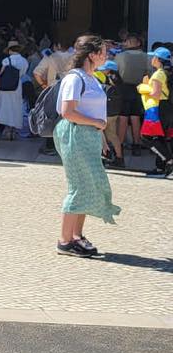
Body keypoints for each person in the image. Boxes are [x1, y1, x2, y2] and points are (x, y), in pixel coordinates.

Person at [54, 35, 120, 256]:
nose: (106, 56)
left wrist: (100, 136)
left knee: (88, 186)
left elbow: (93, 111)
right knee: (79, 186)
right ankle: (65, 241)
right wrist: (96, 124)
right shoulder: (75, 78)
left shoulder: (91, 77)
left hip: (88, 135)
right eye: (103, 52)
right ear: (92, 55)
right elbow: (67, 112)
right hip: (75, 134)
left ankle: (76, 236)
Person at [139, 46, 173, 176]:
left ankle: (169, 160)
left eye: (154, 57)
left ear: (158, 60)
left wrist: (143, 87)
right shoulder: (168, 73)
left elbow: (155, 94)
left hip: (160, 108)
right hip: (168, 107)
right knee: (160, 137)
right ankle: (161, 167)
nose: (152, 59)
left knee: (146, 137)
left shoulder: (159, 74)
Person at [0, 41, 27, 140]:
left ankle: (6, 130)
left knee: (5, 108)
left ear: (10, 50)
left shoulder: (6, 60)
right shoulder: (24, 61)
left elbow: (1, 73)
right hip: (17, 86)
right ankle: (13, 130)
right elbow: (23, 73)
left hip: (5, 87)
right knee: (15, 107)